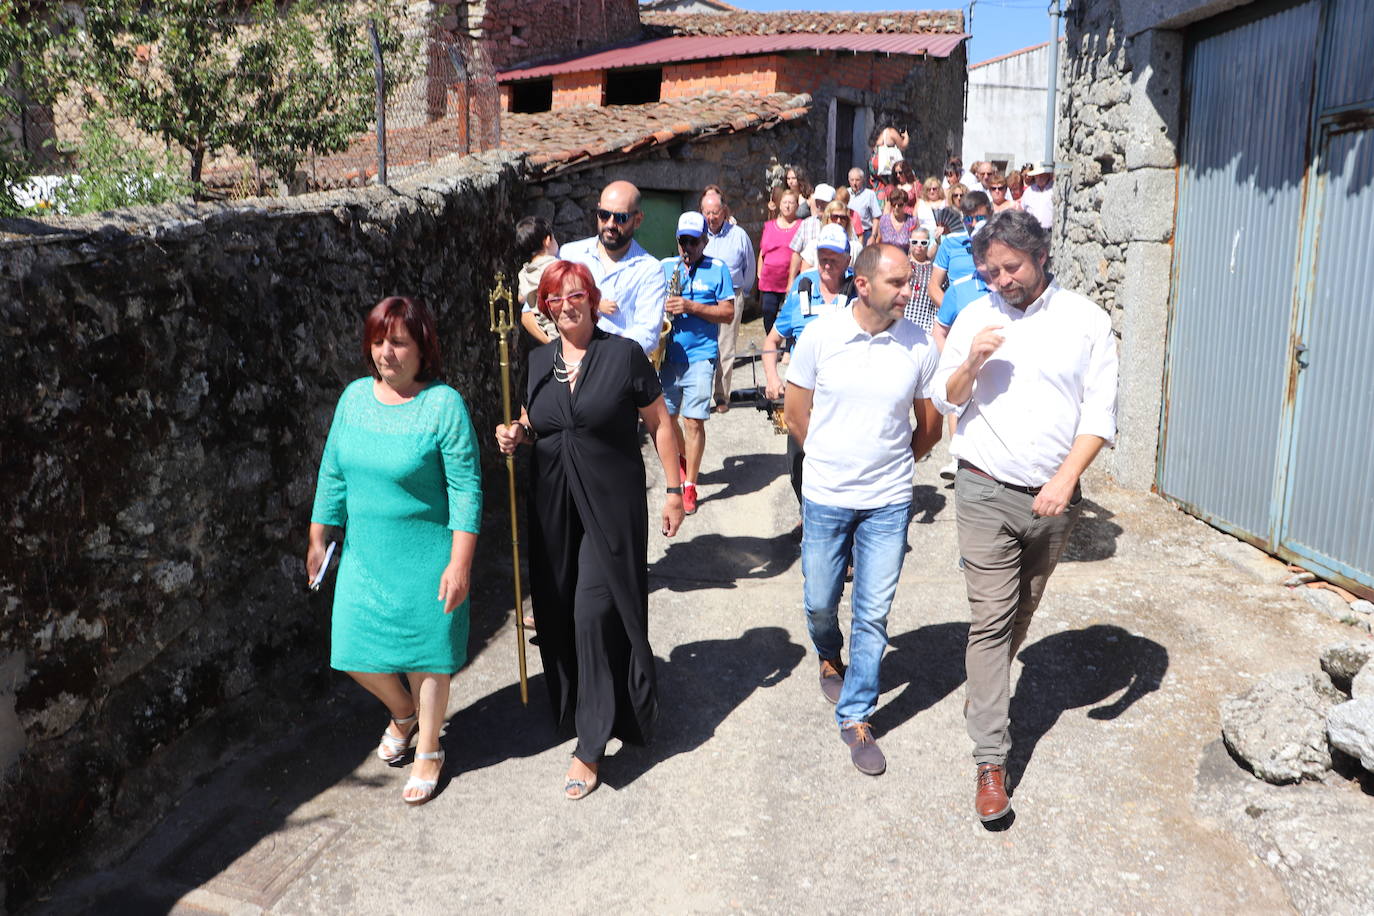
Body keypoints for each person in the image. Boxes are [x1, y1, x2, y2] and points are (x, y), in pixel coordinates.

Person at [932, 209, 1118, 823]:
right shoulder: (976, 315)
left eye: (1010, 267)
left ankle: (983, 691)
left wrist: (1067, 480)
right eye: (990, 270)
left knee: (1022, 612)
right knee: (990, 620)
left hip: (1054, 498)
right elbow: (945, 397)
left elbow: (1099, 414)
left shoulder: (1087, 321)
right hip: (983, 487)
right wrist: (971, 364)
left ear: (1040, 256)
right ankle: (991, 760)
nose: (1000, 280)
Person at [494, 260, 685, 800]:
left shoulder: (622, 355)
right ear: (546, 308)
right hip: (554, 509)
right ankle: (581, 699)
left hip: (610, 507)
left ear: (594, 299)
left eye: (577, 294)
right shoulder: (537, 362)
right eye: (556, 298)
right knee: (556, 610)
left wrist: (675, 490)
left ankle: (592, 743)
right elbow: (538, 423)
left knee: (592, 612)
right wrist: (517, 435)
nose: (567, 305)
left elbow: (659, 423)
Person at [308, 296, 482, 806]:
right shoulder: (354, 399)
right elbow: (333, 472)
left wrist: (460, 561)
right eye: (379, 341)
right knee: (351, 648)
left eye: (399, 343)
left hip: (427, 556)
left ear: (423, 349)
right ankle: (404, 714)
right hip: (366, 556)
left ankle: (429, 749)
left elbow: (467, 489)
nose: (387, 353)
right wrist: (319, 535)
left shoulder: (442, 405)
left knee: (429, 655)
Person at [783, 243, 943, 776]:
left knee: (872, 613)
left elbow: (929, 427)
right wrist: (831, 462)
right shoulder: (822, 335)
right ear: (864, 284)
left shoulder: (919, 344)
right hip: (826, 494)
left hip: (889, 501)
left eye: (910, 282)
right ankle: (828, 651)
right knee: (820, 600)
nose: (908, 291)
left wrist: (891, 465)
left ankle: (855, 716)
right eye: (898, 282)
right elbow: (795, 414)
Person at [762, 224, 856, 527]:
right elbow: (771, 342)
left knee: (842, 466)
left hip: (844, 397)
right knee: (798, 464)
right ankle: (810, 515)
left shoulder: (859, 290)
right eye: (822, 256)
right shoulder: (803, 284)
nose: (827, 263)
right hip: (803, 396)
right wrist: (773, 378)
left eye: (834, 257)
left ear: (847, 258)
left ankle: (839, 535)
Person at [660, 212, 735, 515]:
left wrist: (690, 306)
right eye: (683, 241)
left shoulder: (718, 269)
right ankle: (682, 460)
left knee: (693, 421)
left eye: (693, 241)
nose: (687, 247)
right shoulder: (665, 267)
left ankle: (689, 484)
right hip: (668, 355)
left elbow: (728, 313)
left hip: (701, 357)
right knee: (666, 419)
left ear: (705, 240)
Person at [561, 180, 667, 356]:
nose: (610, 224)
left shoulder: (650, 269)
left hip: (617, 370)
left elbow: (647, 334)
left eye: (621, 217)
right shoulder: (570, 255)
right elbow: (542, 308)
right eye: (604, 214)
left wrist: (601, 359)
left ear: (638, 220)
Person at [701, 188, 756, 413]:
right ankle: (701, 396)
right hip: (702, 297)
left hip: (731, 297)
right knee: (703, 347)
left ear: (724, 211)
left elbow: (749, 266)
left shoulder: (738, 234)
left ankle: (721, 395)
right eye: (707, 213)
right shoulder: (696, 234)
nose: (711, 218)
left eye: (715, 212)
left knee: (726, 347)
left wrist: (743, 293)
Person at [928, 190, 992, 312]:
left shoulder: (1001, 242)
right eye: (968, 219)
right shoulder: (951, 242)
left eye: (979, 218)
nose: (973, 224)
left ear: (990, 214)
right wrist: (953, 312)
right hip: (959, 314)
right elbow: (933, 286)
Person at [758, 188, 803, 335]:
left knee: (792, 313)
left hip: (792, 278)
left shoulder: (801, 225)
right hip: (770, 278)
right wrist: (760, 272)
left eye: (791, 202)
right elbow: (763, 251)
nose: (787, 206)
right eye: (785, 202)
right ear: (780, 205)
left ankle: (789, 348)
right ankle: (772, 343)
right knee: (768, 311)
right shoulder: (769, 225)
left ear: (797, 205)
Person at [516, 216, 560, 344]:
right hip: (560, 325)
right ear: (547, 240)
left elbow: (521, 298)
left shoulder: (524, 273)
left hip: (544, 326)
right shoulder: (555, 265)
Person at [787, 181, 835, 289]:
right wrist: (791, 281)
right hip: (809, 281)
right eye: (817, 201)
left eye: (824, 202)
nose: (819, 205)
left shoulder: (841, 224)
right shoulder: (806, 224)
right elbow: (796, 254)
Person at [904, 227, 938, 331]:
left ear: (928, 244)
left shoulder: (935, 270)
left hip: (926, 326)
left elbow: (937, 301)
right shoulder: (902, 265)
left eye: (923, 242)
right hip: (903, 321)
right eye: (915, 242)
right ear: (909, 243)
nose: (919, 246)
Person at [846, 167, 883, 244]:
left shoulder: (869, 194)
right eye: (852, 180)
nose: (854, 183)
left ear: (862, 180)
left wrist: (873, 236)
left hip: (865, 233)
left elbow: (876, 217)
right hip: (848, 232)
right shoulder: (846, 193)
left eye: (857, 180)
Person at [875, 186, 916, 253]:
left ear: (905, 204)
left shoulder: (912, 221)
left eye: (900, 205)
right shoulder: (884, 220)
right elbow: (879, 240)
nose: (896, 207)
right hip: (887, 257)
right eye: (894, 204)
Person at [1020, 162, 1054, 230]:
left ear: (1048, 175)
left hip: (1050, 231)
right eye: (1037, 175)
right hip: (1031, 231)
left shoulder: (1054, 190)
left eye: (1042, 175)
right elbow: (1022, 210)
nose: (1039, 177)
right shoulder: (1028, 192)